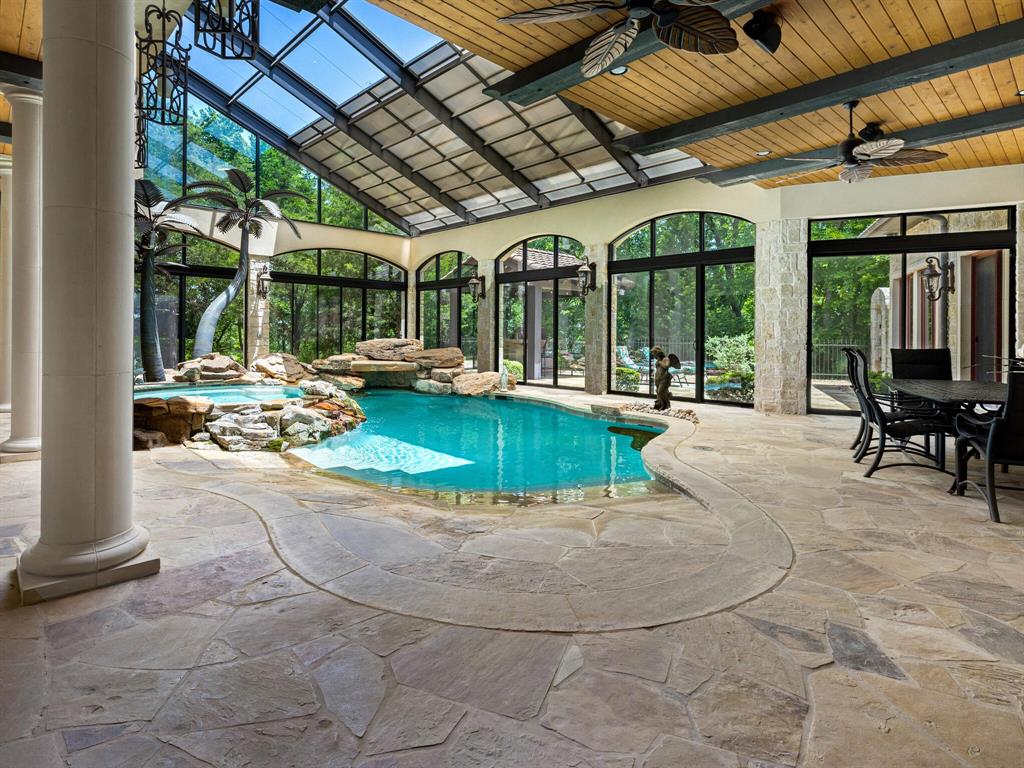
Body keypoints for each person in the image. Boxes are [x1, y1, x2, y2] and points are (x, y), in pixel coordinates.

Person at [651, 346, 679, 411]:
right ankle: (663, 405)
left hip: (664, 378)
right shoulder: (658, 360)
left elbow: (666, 366)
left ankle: (664, 405)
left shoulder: (666, 359)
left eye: (654, 354)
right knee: (660, 392)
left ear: (657, 353)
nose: (653, 356)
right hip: (658, 378)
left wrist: (660, 362)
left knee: (660, 391)